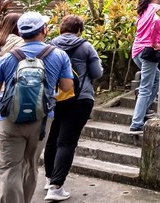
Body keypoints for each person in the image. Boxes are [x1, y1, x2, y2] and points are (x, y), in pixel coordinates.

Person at [0, 12, 74, 203]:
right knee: (30, 165)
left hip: (10, 119)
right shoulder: (59, 55)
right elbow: (67, 87)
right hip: (42, 120)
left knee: (10, 169)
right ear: (43, 30)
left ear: (20, 32)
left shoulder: (7, 58)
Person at [43, 15, 103, 201]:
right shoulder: (86, 47)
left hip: (54, 98)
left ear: (61, 28)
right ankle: (56, 186)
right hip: (80, 99)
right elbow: (97, 73)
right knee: (66, 142)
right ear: (79, 30)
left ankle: (49, 179)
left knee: (52, 139)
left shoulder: (49, 46)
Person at [129, 0, 160, 136]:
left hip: (136, 51)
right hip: (148, 52)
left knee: (156, 79)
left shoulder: (142, 10)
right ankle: (136, 123)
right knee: (145, 87)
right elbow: (158, 22)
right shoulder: (159, 9)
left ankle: (142, 111)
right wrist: (156, 42)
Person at [0, 12, 24, 172]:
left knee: (3, 135)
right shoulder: (21, 45)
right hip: (10, 96)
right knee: (6, 138)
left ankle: (4, 170)